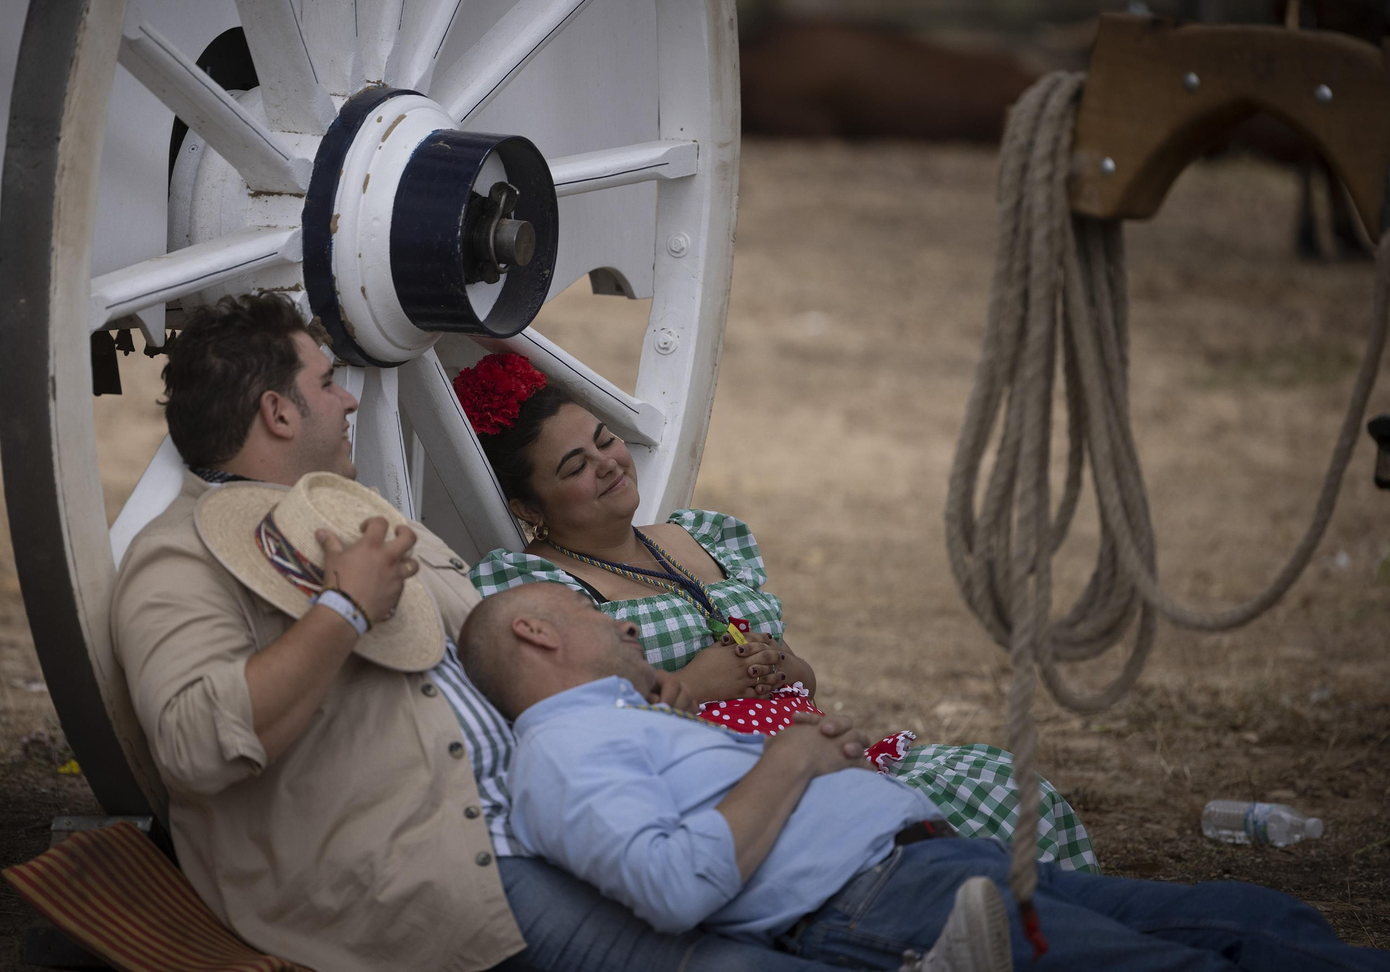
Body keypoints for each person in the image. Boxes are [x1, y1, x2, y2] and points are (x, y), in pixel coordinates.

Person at [109, 292, 886, 972]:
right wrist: (341, 610)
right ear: (278, 413)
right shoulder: (180, 556)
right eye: (325, 384)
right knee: (725, 962)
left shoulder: (357, 515)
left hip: (556, 810)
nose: (351, 402)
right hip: (431, 869)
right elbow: (194, 745)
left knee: (813, 896)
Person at [457, 582, 1390, 972]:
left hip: (935, 863)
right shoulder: (561, 753)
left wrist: (824, 767)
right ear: (536, 634)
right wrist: (788, 762)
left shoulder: (623, 723)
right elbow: (668, 884)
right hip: (885, 903)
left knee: (1257, 919)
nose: (621, 623)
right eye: (588, 609)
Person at [458, 352, 1093, 872]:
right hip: (723, 787)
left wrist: (787, 664)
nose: (606, 464)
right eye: (575, 466)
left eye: (605, 441)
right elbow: (560, 721)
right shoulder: (536, 586)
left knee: (1006, 789)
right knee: (928, 851)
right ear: (531, 505)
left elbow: (802, 682)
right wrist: (698, 684)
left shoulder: (701, 538)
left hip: (808, 742)